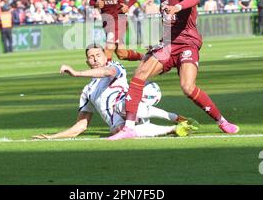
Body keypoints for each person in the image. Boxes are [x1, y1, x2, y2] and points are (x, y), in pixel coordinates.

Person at [108, 0, 239, 140]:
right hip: (168, 44)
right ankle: (129, 128)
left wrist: (177, 6)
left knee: (187, 87)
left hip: (187, 43)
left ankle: (222, 121)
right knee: (139, 75)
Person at [32, 44, 197, 140]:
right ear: (87, 61)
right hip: (122, 123)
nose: (95, 59)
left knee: (121, 106)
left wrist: (77, 73)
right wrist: (53, 137)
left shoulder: (116, 67)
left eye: (98, 55)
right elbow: (81, 126)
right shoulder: (87, 92)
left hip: (138, 102)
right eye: (91, 57)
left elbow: (108, 72)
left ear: (105, 57)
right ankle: (174, 129)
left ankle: (174, 117)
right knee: (119, 130)